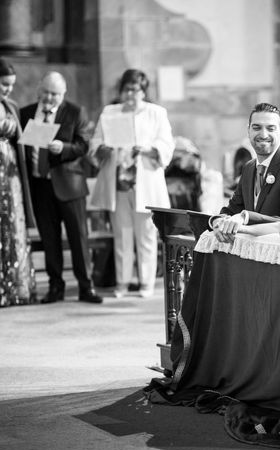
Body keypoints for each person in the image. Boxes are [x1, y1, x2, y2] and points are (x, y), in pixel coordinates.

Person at [89, 69, 175, 298]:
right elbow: (96, 139)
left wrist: (149, 149)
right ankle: (122, 283)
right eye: (126, 89)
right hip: (118, 181)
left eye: (135, 90)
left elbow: (167, 143)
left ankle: (146, 282)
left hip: (144, 180)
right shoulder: (110, 111)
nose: (130, 94)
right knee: (122, 235)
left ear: (143, 91)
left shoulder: (156, 112)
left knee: (146, 235)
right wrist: (102, 148)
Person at [20, 72, 102, 304]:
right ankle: (55, 287)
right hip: (40, 186)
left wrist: (63, 148)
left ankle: (86, 287)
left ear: (63, 94)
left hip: (69, 185)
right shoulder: (26, 113)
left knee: (78, 238)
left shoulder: (75, 112)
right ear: (39, 90)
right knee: (49, 239)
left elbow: (83, 144)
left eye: (55, 94)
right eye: (46, 92)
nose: (49, 97)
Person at [210, 102, 280, 243]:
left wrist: (245, 217)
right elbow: (232, 210)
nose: (263, 135)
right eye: (256, 128)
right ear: (248, 131)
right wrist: (218, 223)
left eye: (270, 128)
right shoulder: (249, 167)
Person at [0, 58, 37, 306]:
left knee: (12, 223)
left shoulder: (10, 105)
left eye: (11, 85)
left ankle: (14, 286)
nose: (8, 90)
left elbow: (21, 137)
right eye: (4, 85)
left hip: (10, 169)